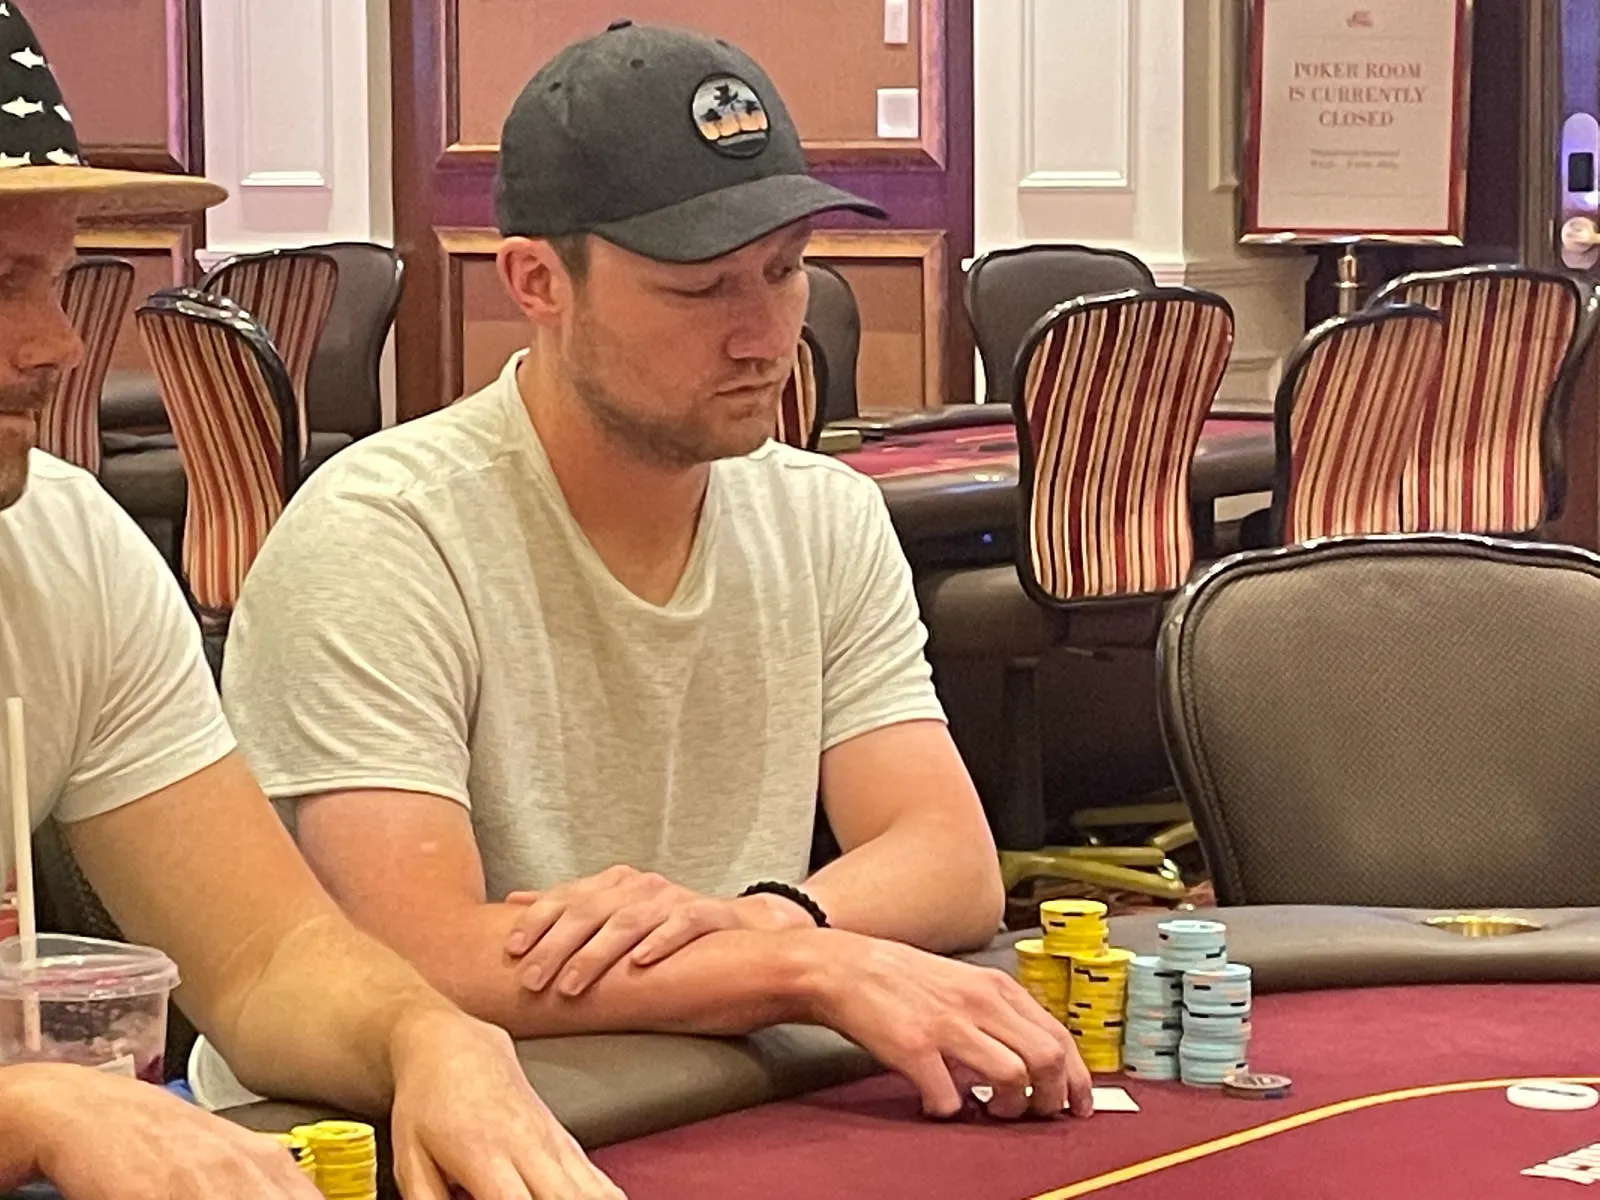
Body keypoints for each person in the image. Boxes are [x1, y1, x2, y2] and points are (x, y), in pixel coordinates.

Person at [218, 22, 1092, 1124]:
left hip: (694, 1094)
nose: (764, 336)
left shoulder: (824, 513)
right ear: (538, 281)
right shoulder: (381, 534)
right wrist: (800, 967)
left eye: (783, 271)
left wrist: (761, 918)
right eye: (701, 289)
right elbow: (412, 957)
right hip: (377, 1131)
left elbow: (949, 860)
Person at [0, 9, 621, 1198]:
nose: (58, 345)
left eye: (57, 278)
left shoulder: (67, 549)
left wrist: (428, 1035)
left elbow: (268, 956)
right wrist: (22, 1108)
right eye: (0, 283)